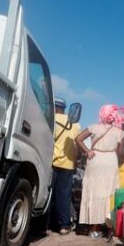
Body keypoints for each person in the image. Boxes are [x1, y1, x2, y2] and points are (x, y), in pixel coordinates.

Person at [75, 104, 124, 237]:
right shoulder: (119, 133)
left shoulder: (93, 127)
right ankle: (110, 228)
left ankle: (94, 227)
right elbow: (120, 153)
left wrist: (87, 151)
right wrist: (122, 161)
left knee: (94, 192)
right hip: (110, 161)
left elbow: (78, 139)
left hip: (95, 159)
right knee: (110, 193)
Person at [51, 98, 80, 235]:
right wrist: (75, 162)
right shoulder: (75, 124)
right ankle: (63, 226)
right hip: (67, 164)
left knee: (49, 193)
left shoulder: (50, 119)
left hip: (50, 163)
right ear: (64, 108)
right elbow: (75, 146)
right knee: (63, 195)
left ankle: (43, 225)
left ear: (54, 107)